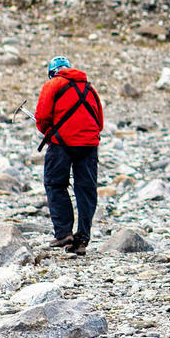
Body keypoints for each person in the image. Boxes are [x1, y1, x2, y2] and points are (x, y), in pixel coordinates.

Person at [34, 56, 103, 253]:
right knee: (86, 190)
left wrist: (49, 132)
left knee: (55, 184)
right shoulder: (89, 88)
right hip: (89, 145)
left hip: (61, 144)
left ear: (51, 72)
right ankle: (82, 239)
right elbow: (99, 121)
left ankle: (64, 233)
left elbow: (42, 117)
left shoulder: (53, 84)